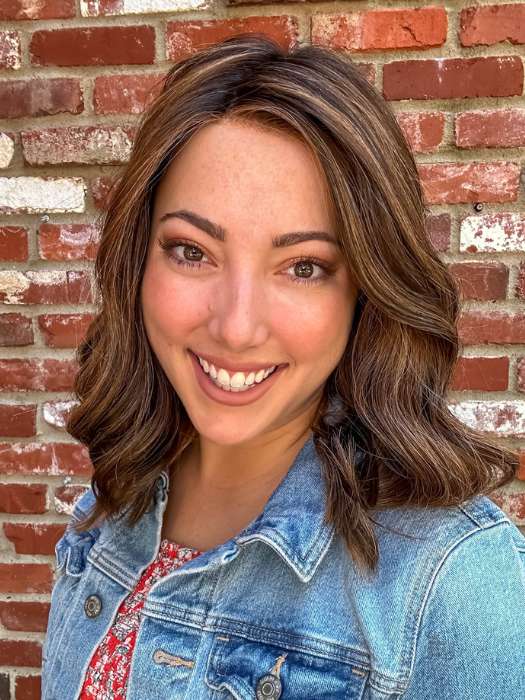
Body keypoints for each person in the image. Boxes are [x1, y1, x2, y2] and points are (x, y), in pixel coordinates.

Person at [41, 34, 525, 700]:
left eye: (303, 267)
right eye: (191, 252)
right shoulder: (114, 498)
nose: (237, 327)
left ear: (365, 290)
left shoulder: (451, 583)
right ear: (138, 261)